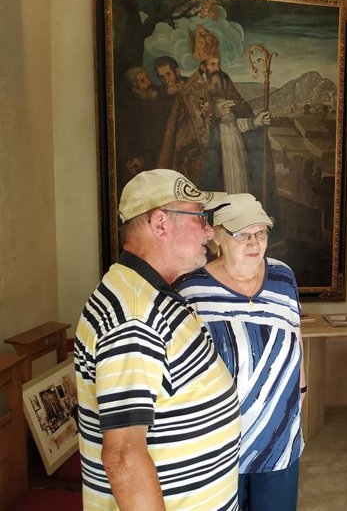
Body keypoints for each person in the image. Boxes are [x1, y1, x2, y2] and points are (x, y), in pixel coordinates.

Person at [73, 169, 241, 511]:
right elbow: (123, 457)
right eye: (200, 218)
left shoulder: (150, 294)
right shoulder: (133, 315)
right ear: (161, 224)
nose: (209, 231)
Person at [177, 193, 305, 511]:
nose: (254, 243)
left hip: (278, 439)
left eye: (261, 232)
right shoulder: (191, 289)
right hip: (217, 445)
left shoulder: (283, 277)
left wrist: (302, 391)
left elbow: (296, 338)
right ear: (217, 237)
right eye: (242, 233)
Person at [157, 25, 271, 195]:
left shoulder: (225, 81)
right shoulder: (192, 90)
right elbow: (186, 133)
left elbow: (237, 118)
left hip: (233, 149)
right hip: (208, 159)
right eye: (212, 64)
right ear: (203, 67)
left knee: (236, 191)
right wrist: (214, 113)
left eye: (218, 63)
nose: (217, 68)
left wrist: (255, 122)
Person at [116, 66, 169, 191]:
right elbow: (131, 138)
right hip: (144, 159)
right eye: (142, 81)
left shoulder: (158, 94)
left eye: (148, 78)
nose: (149, 83)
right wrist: (138, 158)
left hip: (161, 154)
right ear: (135, 88)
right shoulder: (133, 108)